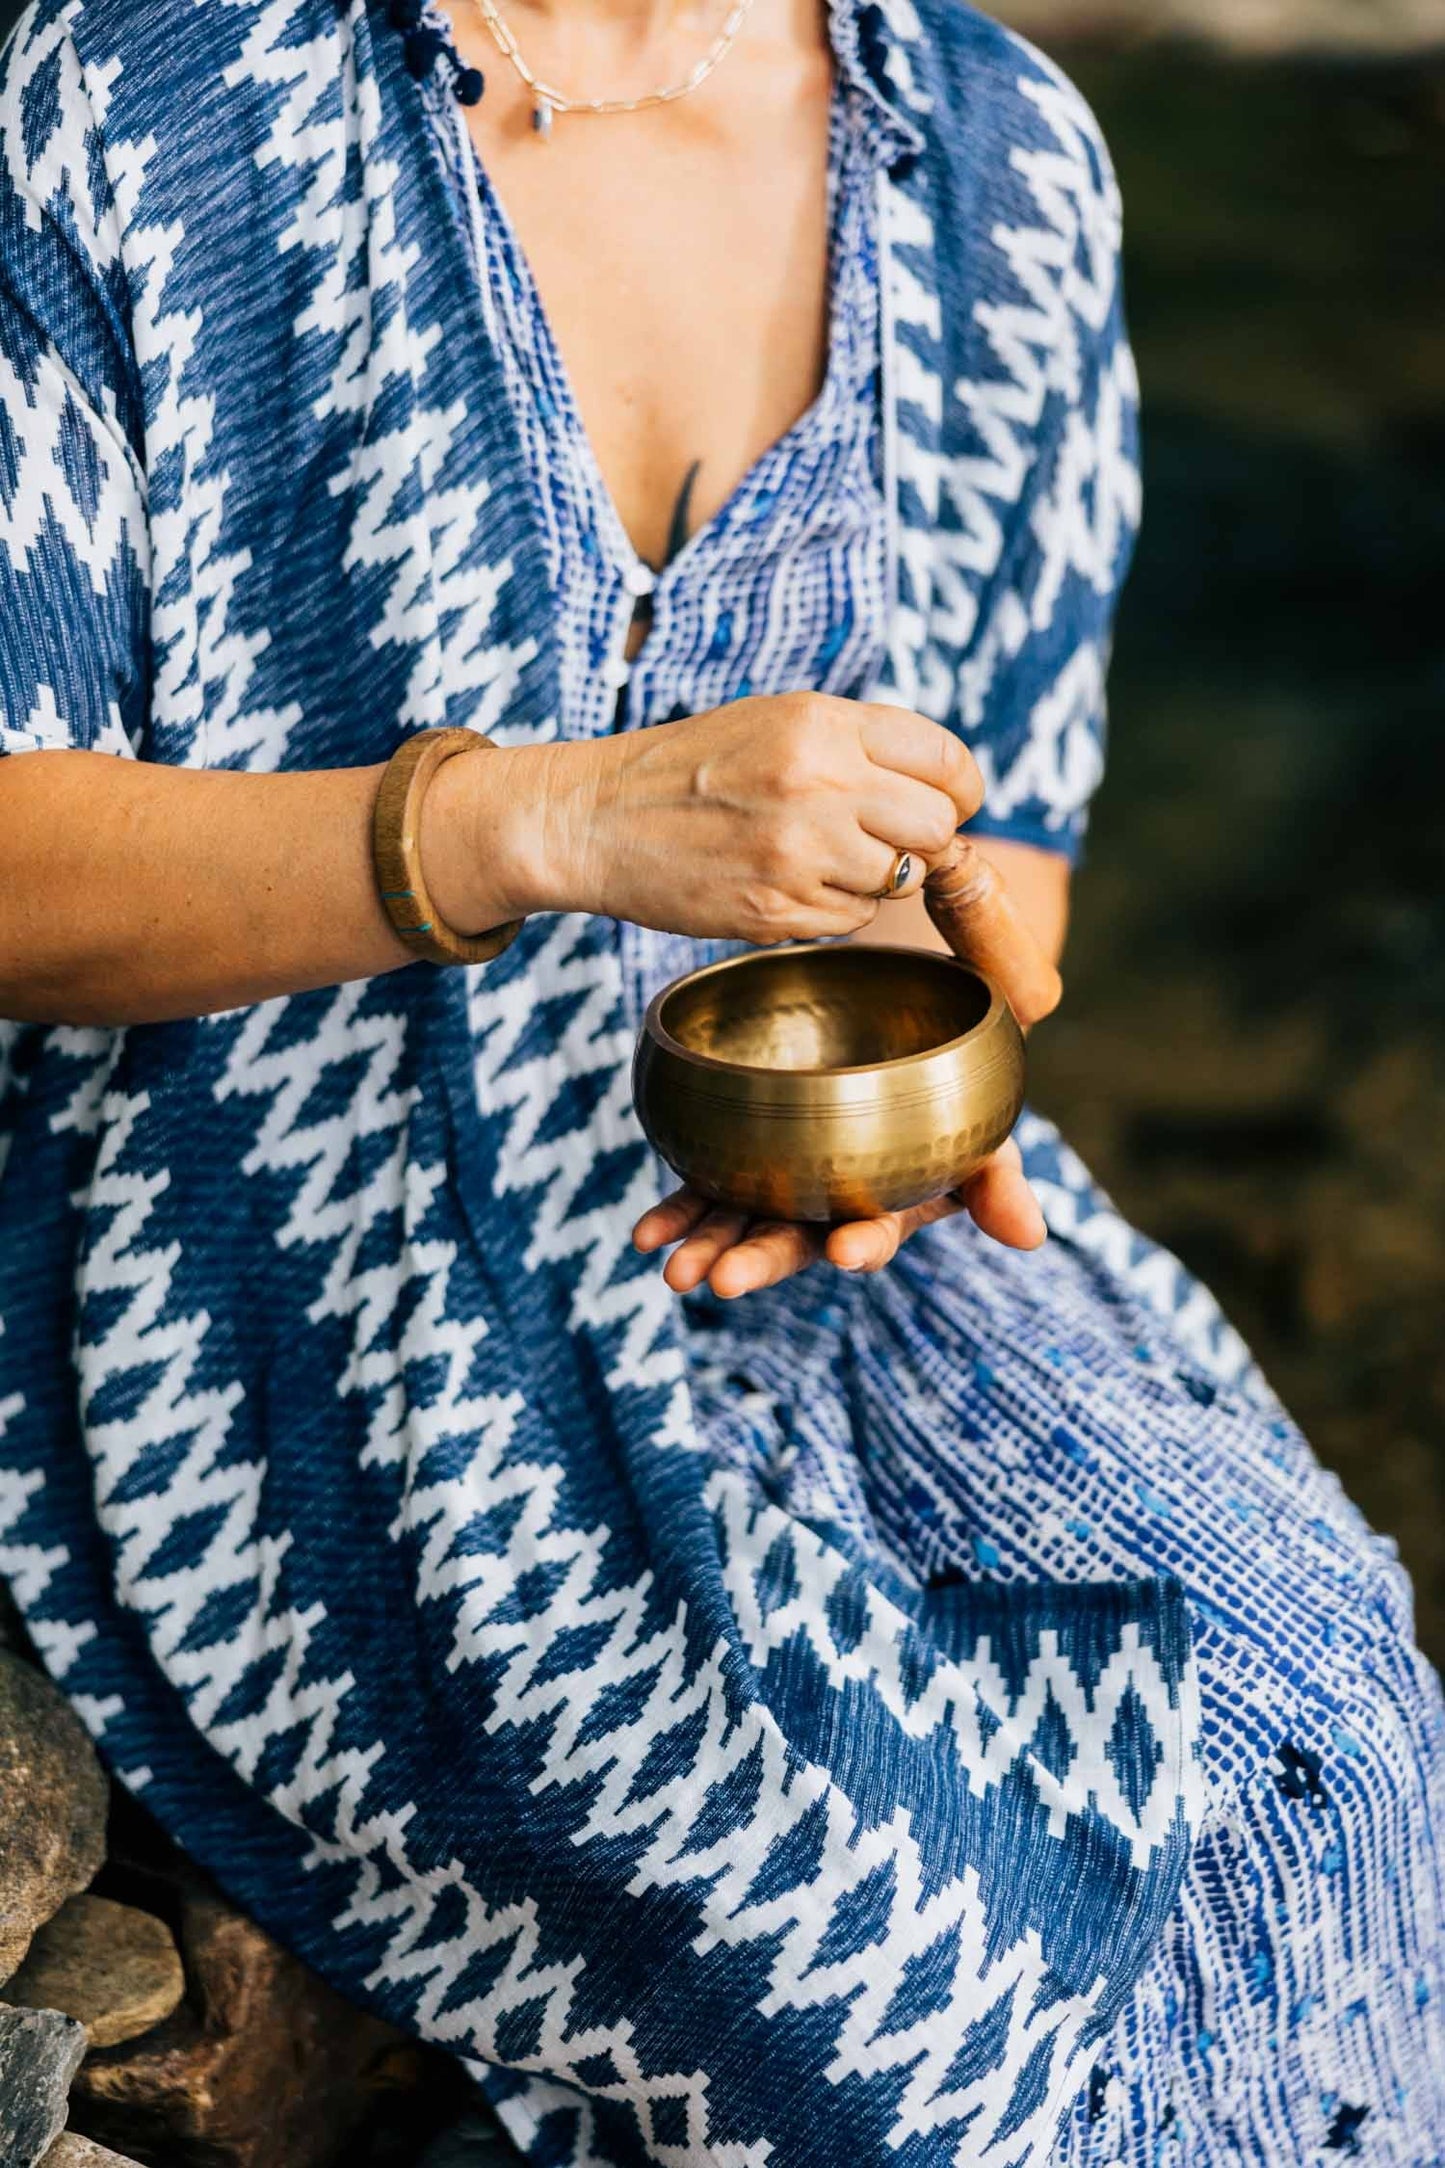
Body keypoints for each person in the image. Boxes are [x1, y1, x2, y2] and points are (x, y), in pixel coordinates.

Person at [0, 0, 1438, 2159]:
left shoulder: (995, 160)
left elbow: (1000, 873)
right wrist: (532, 825)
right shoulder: (135, 96)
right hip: (272, 1289)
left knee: (1338, 1720)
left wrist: (911, 1086)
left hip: (791, 1226)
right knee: (921, 1957)